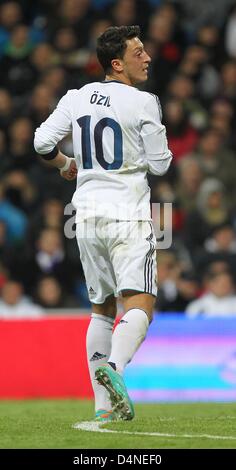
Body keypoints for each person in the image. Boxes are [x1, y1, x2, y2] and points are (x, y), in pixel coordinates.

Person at [34, 25, 172, 422]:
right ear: (117, 63)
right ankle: (116, 367)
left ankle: (102, 405)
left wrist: (66, 165)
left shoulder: (76, 98)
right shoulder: (144, 102)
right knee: (141, 303)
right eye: (138, 53)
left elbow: (42, 143)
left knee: (100, 307)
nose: (146, 58)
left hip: (84, 215)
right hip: (128, 213)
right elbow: (161, 164)